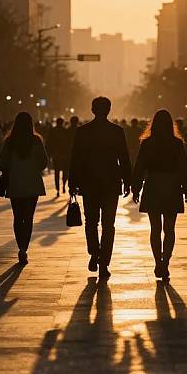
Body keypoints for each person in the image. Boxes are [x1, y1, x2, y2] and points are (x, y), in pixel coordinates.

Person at [69, 97, 131, 279]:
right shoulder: (117, 131)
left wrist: (72, 183)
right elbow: (124, 158)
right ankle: (104, 262)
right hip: (111, 182)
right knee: (108, 225)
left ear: (92, 109)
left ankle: (94, 253)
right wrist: (128, 181)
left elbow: (75, 159)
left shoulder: (83, 131)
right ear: (109, 109)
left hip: (89, 182)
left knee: (91, 221)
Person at [132, 110, 187, 280]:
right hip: (172, 186)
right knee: (170, 229)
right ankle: (166, 262)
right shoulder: (177, 144)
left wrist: (136, 187)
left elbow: (139, 167)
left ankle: (158, 261)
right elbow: (184, 167)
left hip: (153, 186)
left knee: (155, 228)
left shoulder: (147, 143)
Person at [0, 112, 48, 264]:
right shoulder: (36, 140)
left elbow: (2, 161)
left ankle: (20, 247)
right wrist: (34, 168)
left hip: (15, 183)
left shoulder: (10, 141)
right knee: (29, 217)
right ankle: (24, 247)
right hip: (32, 183)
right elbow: (44, 161)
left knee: (18, 217)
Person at [47, 118, 70, 197]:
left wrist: (49, 153)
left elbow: (49, 142)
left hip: (56, 155)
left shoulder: (52, 131)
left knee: (56, 173)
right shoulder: (65, 131)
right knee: (65, 172)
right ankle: (63, 185)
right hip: (64, 155)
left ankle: (57, 189)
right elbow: (68, 143)